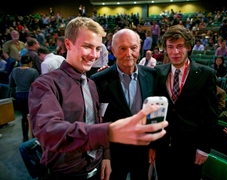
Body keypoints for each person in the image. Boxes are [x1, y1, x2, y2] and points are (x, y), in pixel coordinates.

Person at [28, 17, 168, 180]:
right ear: (68, 44)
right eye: (87, 47)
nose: (93, 55)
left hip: (99, 170)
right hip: (66, 174)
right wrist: (108, 133)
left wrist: (106, 156)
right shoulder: (45, 84)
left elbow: (98, 120)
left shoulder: (91, 84)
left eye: (97, 48)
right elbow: (49, 132)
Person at [90, 28, 157, 180]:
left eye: (133, 48)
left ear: (139, 48)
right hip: (114, 151)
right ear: (113, 50)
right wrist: (105, 154)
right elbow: (97, 122)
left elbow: (155, 114)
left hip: (143, 149)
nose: (128, 54)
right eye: (122, 48)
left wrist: (153, 144)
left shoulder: (152, 75)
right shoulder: (98, 80)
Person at [153, 25, 218, 180]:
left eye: (180, 46)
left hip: (191, 148)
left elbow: (211, 115)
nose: (175, 52)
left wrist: (204, 148)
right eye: (170, 47)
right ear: (165, 49)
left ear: (189, 47)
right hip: (163, 147)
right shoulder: (157, 72)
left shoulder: (206, 74)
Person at [9, 55, 39, 142]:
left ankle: (25, 137)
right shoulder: (33, 71)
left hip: (19, 95)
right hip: (31, 95)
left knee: (24, 116)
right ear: (30, 63)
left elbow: (11, 84)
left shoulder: (14, 71)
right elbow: (37, 86)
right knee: (33, 116)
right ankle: (34, 137)